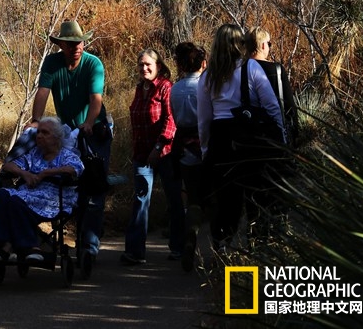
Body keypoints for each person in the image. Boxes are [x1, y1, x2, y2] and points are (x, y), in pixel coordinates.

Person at [28, 19, 111, 268]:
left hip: (94, 129)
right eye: (71, 43)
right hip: (68, 131)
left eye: (79, 42)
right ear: (61, 44)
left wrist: (88, 122)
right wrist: (36, 121)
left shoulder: (93, 64)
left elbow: (95, 98)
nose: (76, 47)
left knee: (93, 185)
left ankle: (89, 245)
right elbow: (42, 92)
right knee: (67, 183)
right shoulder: (53, 63)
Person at [197, 24, 286, 251]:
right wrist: (280, 138)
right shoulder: (251, 68)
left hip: (220, 139)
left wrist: (206, 149)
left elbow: (204, 119)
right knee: (255, 194)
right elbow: (271, 105)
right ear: (240, 44)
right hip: (250, 137)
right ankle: (256, 244)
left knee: (227, 199)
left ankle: (222, 244)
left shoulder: (208, 77)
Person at [0, 116, 84, 263]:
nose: (39, 136)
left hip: (55, 198)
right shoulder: (34, 154)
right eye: (38, 133)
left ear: (56, 138)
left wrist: (45, 173)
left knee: (16, 201)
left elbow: (75, 169)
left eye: (45, 133)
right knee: (3, 195)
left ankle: (30, 247)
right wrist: (25, 173)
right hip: (29, 194)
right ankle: (1, 246)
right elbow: (8, 166)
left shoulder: (66, 155)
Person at [122, 48, 184, 265]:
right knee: (140, 200)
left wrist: (158, 148)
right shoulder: (140, 89)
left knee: (174, 200)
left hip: (165, 153)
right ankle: (135, 252)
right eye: (141, 65)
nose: (144, 68)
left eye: (148, 64)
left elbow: (171, 120)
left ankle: (179, 248)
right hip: (142, 155)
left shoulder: (166, 88)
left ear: (158, 66)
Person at [170, 42, 207, 272]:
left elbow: (175, 117)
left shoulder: (176, 89)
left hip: (184, 148)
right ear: (202, 63)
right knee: (213, 199)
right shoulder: (204, 88)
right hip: (204, 146)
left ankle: (190, 239)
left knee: (192, 198)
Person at [246, 28, 299, 146]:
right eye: (269, 43)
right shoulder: (276, 69)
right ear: (263, 45)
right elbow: (289, 103)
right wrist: (295, 133)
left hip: (250, 132)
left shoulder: (241, 70)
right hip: (275, 132)